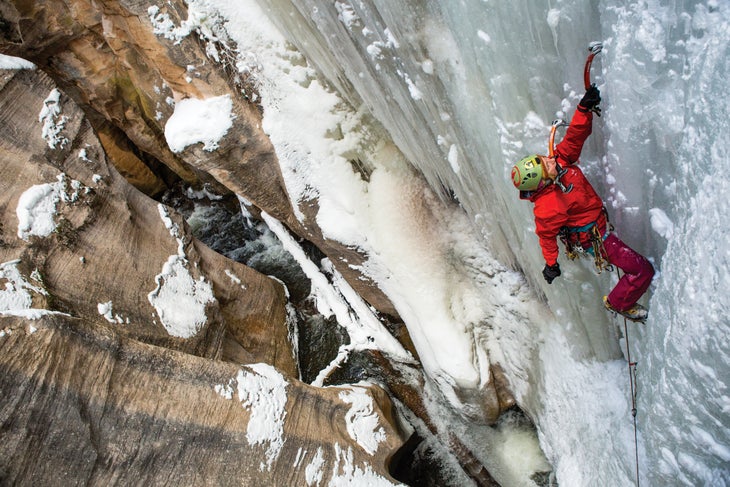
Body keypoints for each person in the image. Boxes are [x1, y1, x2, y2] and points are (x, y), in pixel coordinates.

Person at [510, 86, 654, 322]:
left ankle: (621, 299)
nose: (549, 159)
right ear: (543, 182)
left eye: (543, 159)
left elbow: (575, 137)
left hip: (597, 224)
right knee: (642, 270)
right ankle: (619, 302)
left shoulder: (561, 162)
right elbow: (546, 236)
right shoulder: (548, 207)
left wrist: (583, 108)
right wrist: (551, 265)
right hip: (596, 238)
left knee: (639, 268)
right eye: (545, 164)